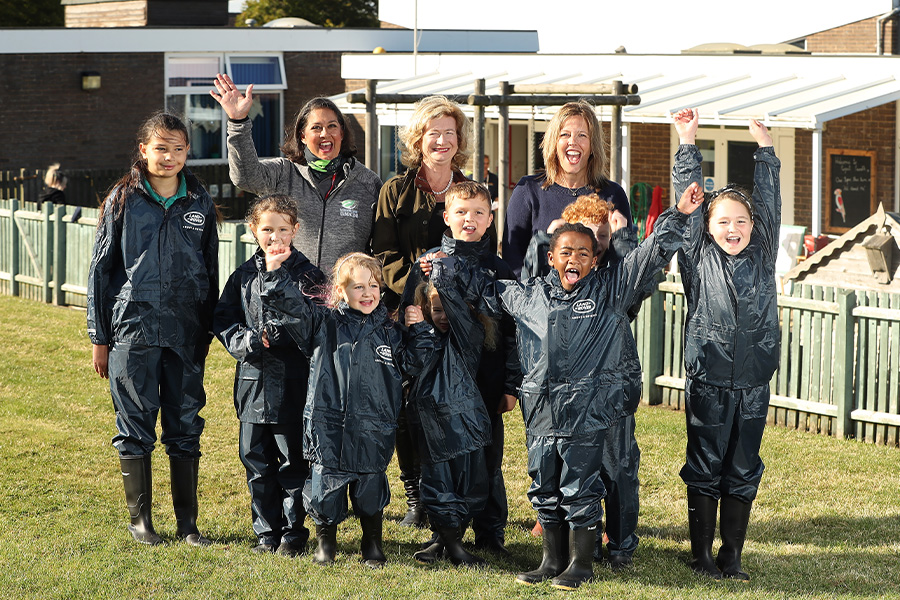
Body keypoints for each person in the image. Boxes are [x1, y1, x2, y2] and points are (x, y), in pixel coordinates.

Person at [432, 187, 703, 590]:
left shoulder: (612, 291)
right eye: (565, 252)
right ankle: (551, 560)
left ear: (595, 260)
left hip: (586, 413)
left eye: (582, 253)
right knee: (543, 485)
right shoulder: (530, 296)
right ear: (550, 257)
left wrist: (678, 213)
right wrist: (443, 262)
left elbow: (651, 252)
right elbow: (482, 288)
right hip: (541, 411)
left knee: (580, 487)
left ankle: (580, 562)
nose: (572, 259)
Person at [87, 111, 220, 547]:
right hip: (133, 330)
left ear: (187, 153)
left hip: (185, 331)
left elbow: (211, 270)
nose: (169, 157)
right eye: (161, 148)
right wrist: (99, 338)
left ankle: (188, 523)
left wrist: (206, 329)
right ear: (143, 150)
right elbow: (100, 272)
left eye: (178, 149)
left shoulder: (199, 201)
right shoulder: (122, 200)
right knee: (135, 422)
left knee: (185, 424)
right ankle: (140, 521)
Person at [259, 251, 437, 568]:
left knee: (371, 488)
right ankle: (326, 544)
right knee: (324, 488)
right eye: (357, 287)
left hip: (374, 426)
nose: (367, 293)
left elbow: (415, 363)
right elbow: (292, 308)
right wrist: (274, 274)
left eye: (373, 286)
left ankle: (372, 544)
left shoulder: (391, 333)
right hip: (328, 424)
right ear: (341, 291)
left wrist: (420, 329)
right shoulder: (322, 326)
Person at [371, 95, 495, 529]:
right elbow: (384, 253)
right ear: (418, 138)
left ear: (459, 139)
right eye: (433, 132)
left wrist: (456, 305)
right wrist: (421, 299)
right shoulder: (395, 191)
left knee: (458, 405)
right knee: (411, 406)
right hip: (411, 314)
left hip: (463, 319)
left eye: (449, 132)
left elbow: (483, 250)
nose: (441, 140)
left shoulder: (472, 190)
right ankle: (417, 498)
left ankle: (464, 496)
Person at [671, 108, 780, 582]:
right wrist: (687, 142)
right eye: (722, 221)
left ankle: (731, 553)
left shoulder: (763, 250)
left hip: (753, 382)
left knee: (742, 464)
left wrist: (766, 149)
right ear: (709, 226)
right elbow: (690, 204)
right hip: (709, 379)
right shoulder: (697, 256)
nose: (732, 229)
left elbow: (771, 203)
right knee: (705, 463)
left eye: (740, 221)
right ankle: (701, 554)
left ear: (754, 227)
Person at [403, 181, 521, 564]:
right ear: (446, 217)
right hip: (437, 386)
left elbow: (512, 333)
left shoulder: (499, 268)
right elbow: (410, 321)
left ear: (490, 219)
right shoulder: (426, 265)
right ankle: (444, 533)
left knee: (488, 460)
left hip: (484, 384)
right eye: (461, 212)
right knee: (440, 460)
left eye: (477, 213)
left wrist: (510, 385)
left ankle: (490, 532)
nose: (468, 219)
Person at [213, 195, 327, 557]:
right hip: (252, 383)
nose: (274, 237)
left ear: (295, 229)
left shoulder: (309, 275)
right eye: (266, 229)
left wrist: (284, 331)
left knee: (293, 462)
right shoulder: (243, 276)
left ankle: (293, 532)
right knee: (256, 461)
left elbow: (315, 324)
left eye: (282, 229)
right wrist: (248, 340)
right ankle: (266, 531)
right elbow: (223, 319)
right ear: (253, 231)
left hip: (294, 384)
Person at [211, 74, 381, 270]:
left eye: (332, 126)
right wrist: (238, 122)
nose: (325, 134)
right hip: (290, 294)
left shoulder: (368, 183)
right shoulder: (284, 173)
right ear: (302, 136)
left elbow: (383, 247)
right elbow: (245, 176)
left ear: (341, 133)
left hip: (346, 296)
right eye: (316, 128)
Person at [405, 278, 492, 567]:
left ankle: (445, 540)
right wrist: (417, 327)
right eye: (437, 309)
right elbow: (412, 362)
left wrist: (441, 273)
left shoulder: (468, 336)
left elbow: (459, 313)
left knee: (472, 487)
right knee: (437, 486)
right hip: (433, 429)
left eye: (449, 309)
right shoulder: (423, 335)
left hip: (467, 427)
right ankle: (451, 545)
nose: (444, 316)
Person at [502, 100, 633, 277]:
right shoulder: (528, 191)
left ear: (593, 146)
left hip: (597, 301)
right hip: (538, 300)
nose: (573, 142)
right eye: (565, 135)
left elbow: (626, 264)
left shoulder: (612, 195)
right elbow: (512, 264)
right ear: (554, 143)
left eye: (582, 135)